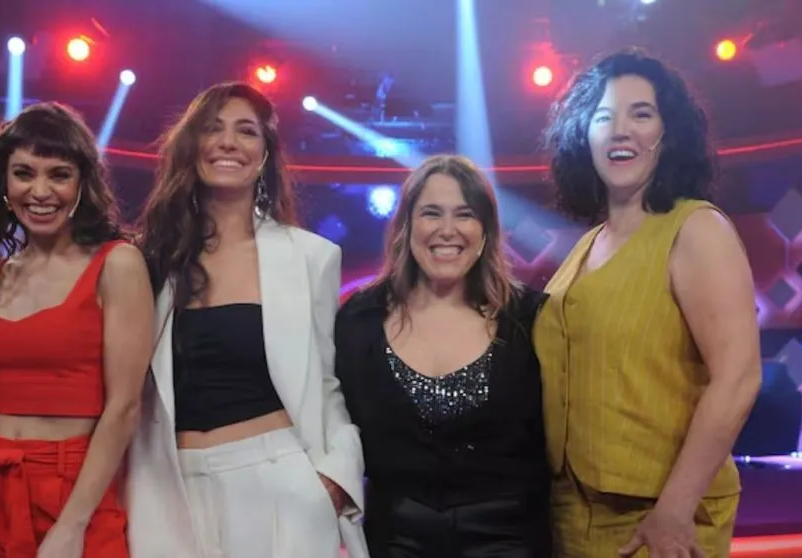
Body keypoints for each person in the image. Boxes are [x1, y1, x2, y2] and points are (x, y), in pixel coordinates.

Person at [535, 48, 762, 557]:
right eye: (603, 117)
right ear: (584, 136)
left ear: (668, 133)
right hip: (571, 515)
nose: (621, 131)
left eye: (641, 114)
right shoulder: (586, 244)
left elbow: (739, 377)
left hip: (660, 523)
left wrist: (675, 509)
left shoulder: (697, 228)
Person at [125, 81, 367, 558]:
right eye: (213, 129)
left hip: (278, 483)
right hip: (169, 489)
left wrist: (334, 479)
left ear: (265, 153)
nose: (228, 143)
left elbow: (325, 383)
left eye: (246, 131)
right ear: (191, 145)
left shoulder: (310, 257)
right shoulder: (148, 261)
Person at [0, 102, 154, 557]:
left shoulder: (117, 263)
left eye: (59, 175)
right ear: (4, 183)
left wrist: (72, 525)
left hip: (72, 488)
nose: (40, 191)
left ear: (82, 184)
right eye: (24, 173)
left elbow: (124, 407)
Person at [335, 154, 552, 558]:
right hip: (396, 537)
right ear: (406, 226)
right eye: (431, 213)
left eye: (464, 215)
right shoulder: (358, 320)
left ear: (486, 229)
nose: (447, 230)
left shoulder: (530, 318)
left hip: (508, 537)